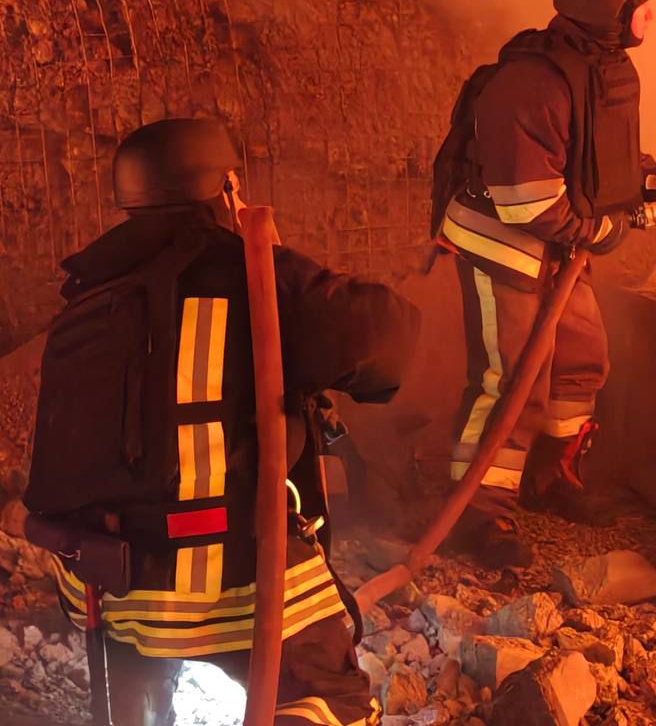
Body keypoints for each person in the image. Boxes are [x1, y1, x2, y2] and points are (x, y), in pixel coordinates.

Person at [24, 118, 420, 726]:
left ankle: (141, 701)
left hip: (102, 587)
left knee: (138, 675)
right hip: (224, 575)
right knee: (332, 698)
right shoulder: (252, 274)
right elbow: (385, 346)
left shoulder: (89, 290)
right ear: (225, 189)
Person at [429, 0, 656, 567]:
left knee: (582, 359)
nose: (651, 13)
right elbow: (526, 201)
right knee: (511, 381)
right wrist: (601, 233)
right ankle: (477, 511)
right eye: (641, 2)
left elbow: (598, 160)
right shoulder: (532, 85)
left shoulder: (598, 69)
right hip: (505, 245)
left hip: (557, 247)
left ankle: (550, 477)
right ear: (609, 6)